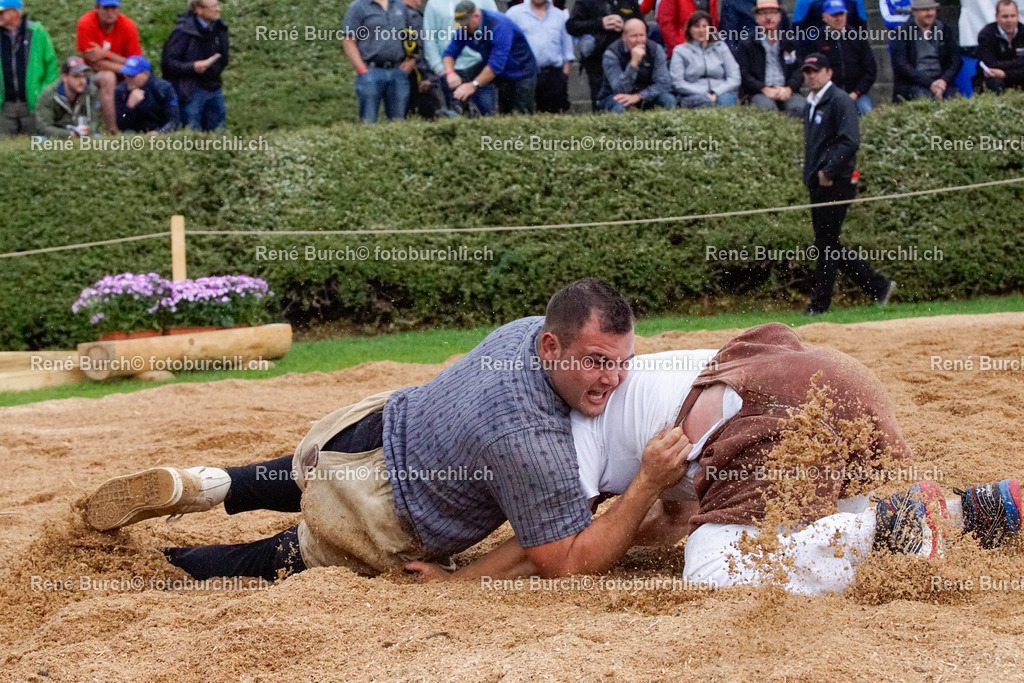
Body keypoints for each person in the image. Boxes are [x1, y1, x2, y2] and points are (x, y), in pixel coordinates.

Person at [83, 279, 692, 583]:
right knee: (278, 556)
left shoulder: (527, 329)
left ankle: (201, 483)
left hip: (362, 429)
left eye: (622, 361)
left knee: (285, 477)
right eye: (596, 361)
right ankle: (165, 565)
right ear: (553, 345)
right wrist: (642, 490)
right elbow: (565, 562)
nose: (611, 380)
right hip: (386, 512)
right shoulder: (528, 439)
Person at [800, 52, 894, 316]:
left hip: (836, 181)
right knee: (826, 242)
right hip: (819, 181)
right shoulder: (811, 103)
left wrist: (828, 171)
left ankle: (819, 304)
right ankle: (877, 286)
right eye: (807, 71)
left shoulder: (840, 101)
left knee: (826, 242)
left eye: (815, 71)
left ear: (829, 73)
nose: (811, 75)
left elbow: (850, 140)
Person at [442, 1, 539, 115]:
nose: (464, 28)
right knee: (465, 75)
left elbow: (496, 64)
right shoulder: (464, 29)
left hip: (520, 72)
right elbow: (449, 54)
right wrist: (450, 73)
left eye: (466, 24)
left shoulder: (499, 25)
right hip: (499, 70)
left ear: (476, 16)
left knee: (519, 114)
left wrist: (473, 85)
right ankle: (460, 111)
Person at [161, 0, 229, 132]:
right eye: (213, 6)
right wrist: (193, 67)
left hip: (214, 87)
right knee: (190, 134)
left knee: (218, 135)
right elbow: (168, 64)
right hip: (191, 91)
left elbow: (224, 56)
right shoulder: (182, 32)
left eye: (217, 5)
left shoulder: (220, 28)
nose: (218, 9)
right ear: (199, 9)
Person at [422, 0, 499, 116]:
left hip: (480, 66)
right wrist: (439, 68)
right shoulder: (434, 3)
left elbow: (495, 28)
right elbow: (429, 38)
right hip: (450, 71)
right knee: (456, 118)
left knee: (487, 115)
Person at [76, 0, 142, 134]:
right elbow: (92, 61)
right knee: (108, 77)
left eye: (114, 8)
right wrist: (123, 68)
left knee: (141, 76)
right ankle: (113, 130)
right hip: (92, 72)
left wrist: (106, 54)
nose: (110, 12)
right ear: (97, 8)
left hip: (122, 72)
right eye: (106, 8)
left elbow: (136, 63)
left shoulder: (128, 25)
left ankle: (144, 127)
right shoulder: (86, 23)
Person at [342, 0, 414, 123]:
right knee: (368, 121)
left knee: (399, 122)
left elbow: (411, 35)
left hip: (398, 72)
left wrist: (412, 60)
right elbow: (349, 40)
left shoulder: (400, 6)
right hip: (371, 71)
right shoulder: (358, 7)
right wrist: (362, 69)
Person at [798, 0, 876, 113]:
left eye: (841, 14)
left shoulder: (858, 38)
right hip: (827, 94)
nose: (838, 18)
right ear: (825, 17)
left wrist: (856, 93)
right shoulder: (816, 40)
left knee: (866, 110)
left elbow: (870, 70)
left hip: (857, 93)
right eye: (834, 15)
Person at [566, 0, 643, 110]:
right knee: (600, 106)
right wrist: (600, 23)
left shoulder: (629, 1)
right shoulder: (585, 2)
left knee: (626, 104)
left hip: (627, 61)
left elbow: (643, 25)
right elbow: (571, 26)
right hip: (597, 63)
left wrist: (626, 25)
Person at [735, 0, 806, 117]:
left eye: (772, 13)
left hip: (787, 90)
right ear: (756, 18)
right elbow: (744, 74)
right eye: (763, 13)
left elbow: (799, 69)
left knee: (799, 107)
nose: (768, 17)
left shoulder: (789, 42)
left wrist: (789, 88)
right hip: (759, 92)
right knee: (766, 109)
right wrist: (763, 88)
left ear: (779, 16)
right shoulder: (747, 44)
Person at [506, 0, 575, 113]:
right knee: (523, 117)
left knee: (552, 119)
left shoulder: (559, 16)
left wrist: (564, 76)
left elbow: (567, 50)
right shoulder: (514, 13)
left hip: (552, 76)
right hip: (524, 76)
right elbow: (506, 44)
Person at [0, 0, 57, 137]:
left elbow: (51, 67)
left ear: (14, 12)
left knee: (35, 148)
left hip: (32, 105)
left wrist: (42, 94)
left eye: (2, 12)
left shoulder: (37, 32)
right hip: (4, 107)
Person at [598, 17, 676, 112]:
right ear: (624, 37)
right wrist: (633, 64)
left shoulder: (655, 50)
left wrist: (639, 96)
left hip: (645, 94)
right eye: (634, 36)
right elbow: (619, 89)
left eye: (642, 35)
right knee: (619, 107)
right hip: (615, 96)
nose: (639, 40)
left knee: (668, 100)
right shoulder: (612, 53)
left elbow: (664, 84)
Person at [889, 0, 961, 101]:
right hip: (914, 83)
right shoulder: (902, 32)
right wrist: (929, 83)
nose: (930, 13)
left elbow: (955, 60)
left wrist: (943, 81)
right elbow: (901, 64)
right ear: (914, 11)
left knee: (954, 98)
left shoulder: (944, 29)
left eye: (932, 9)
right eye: (925, 10)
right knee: (923, 98)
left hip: (941, 81)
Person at [670, 10, 741, 108]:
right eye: (696, 26)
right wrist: (704, 92)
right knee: (704, 103)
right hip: (693, 93)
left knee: (726, 101)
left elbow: (735, 77)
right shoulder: (680, 51)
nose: (701, 30)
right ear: (689, 29)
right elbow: (678, 82)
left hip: (721, 92)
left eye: (705, 26)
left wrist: (715, 91)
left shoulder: (721, 47)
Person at [34, 56, 101, 138]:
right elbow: (43, 127)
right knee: (41, 139)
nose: (82, 81)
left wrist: (87, 131)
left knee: (97, 137)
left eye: (84, 76)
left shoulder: (91, 91)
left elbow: (94, 121)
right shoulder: (48, 95)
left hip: (83, 133)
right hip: (59, 135)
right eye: (76, 76)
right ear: (64, 77)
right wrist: (70, 134)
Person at [401, 0, 447, 119]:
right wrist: (425, 76)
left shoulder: (401, 14)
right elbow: (418, 48)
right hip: (416, 76)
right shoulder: (409, 16)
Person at [113, 55, 180, 133]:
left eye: (132, 75)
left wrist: (159, 132)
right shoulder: (120, 91)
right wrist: (129, 107)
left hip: (160, 131)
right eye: (126, 75)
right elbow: (121, 124)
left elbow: (173, 120)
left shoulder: (164, 88)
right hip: (134, 134)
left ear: (146, 74)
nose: (128, 79)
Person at [977, 0, 1024, 93]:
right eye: (1005, 16)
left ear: (1018, 16)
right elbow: (991, 65)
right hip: (994, 79)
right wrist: (1019, 63)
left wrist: (1005, 73)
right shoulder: (986, 35)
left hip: (1016, 75)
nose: (1009, 20)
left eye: (1012, 16)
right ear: (996, 17)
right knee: (995, 80)